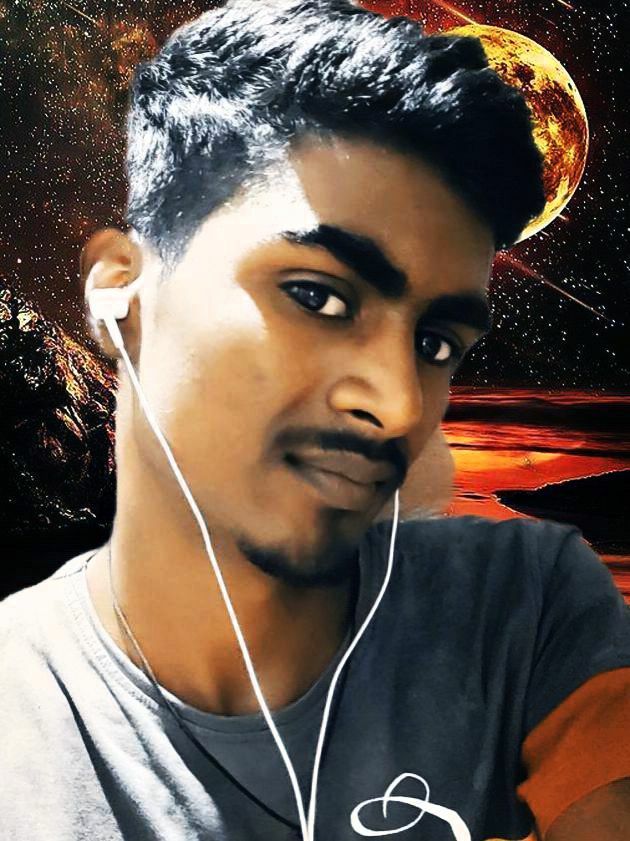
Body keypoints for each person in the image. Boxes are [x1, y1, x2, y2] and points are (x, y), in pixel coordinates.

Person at [2, 1, 629, 839]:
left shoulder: (529, 608)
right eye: (318, 297)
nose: (399, 403)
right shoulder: (23, 715)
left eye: (436, 342)